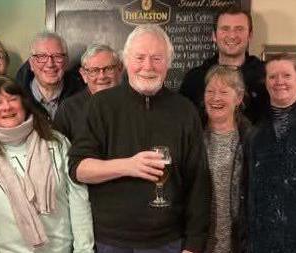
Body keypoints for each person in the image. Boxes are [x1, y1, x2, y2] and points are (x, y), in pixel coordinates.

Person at [69, 24, 210, 253]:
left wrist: (194, 244)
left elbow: (198, 183)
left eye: (157, 58)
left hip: (168, 242)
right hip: (111, 242)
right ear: (125, 62)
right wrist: (128, 165)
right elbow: (78, 169)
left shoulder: (185, 111)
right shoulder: (101, 105)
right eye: (140, 57)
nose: (148, 66)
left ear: (168, 63)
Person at [0, 76, 94, 253]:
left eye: (12, 99)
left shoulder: (56, 143)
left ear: (24, 103)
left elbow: (79, 199)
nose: (6, 107)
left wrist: (84, 250)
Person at [246, 53, 296, 252]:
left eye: (286, 75)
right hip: (265, 244)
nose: (279, 81)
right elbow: (250, 193)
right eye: (272, 77)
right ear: (266, 83)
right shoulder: (256, 134)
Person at [179, 5, 269, 124]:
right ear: (214, 36)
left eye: (239, 29)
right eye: (225, 29)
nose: (232, 35)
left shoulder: (268, 76)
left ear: (250, 35)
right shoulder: (194, 79)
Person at [202, 65, 251, 253]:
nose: (215, 98)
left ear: (238, 98)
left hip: (238, 246)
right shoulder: (192, 138)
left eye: (223, 91)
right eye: (210, 91)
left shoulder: (252, 141)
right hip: (199, 245)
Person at [54, 44, 123, 141]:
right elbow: (58, 150)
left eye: (108, 69)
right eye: (94, 70)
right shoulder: (68, 109)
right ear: (84, 75)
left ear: (120, 69)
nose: (102, 76)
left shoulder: (134, 103)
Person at [15, 32, 84, 121]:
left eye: (57, 56)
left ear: (66, 62)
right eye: (42, 56)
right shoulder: (15, 99)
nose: (50, 64)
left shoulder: (82, 97)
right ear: (31, 64)